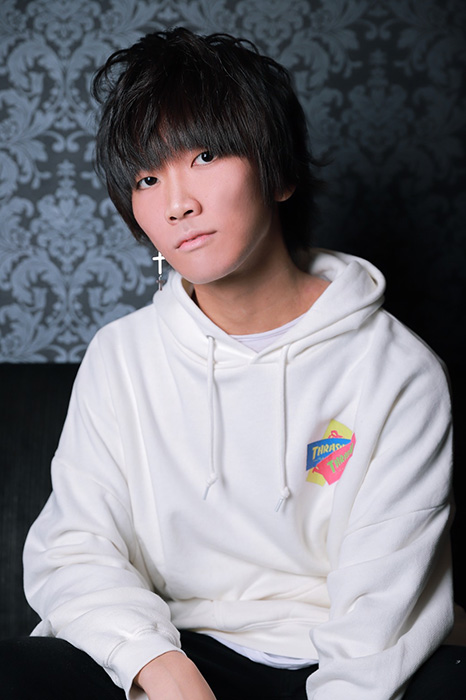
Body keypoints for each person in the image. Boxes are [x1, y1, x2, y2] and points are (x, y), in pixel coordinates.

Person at [1, 27, 465, 700]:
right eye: (147, 178)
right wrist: (160, 669)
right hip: (178, 651)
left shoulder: (398, 372)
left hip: (334, 657)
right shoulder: (122, 358)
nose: (177, 203)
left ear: (280, 174)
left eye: (206, 156)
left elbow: (378, 616)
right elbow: (74, 550)